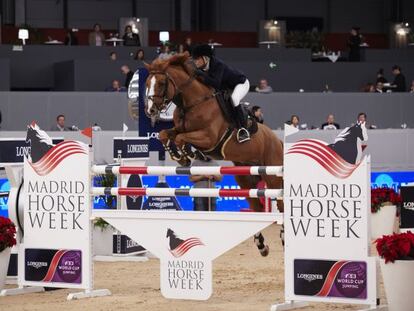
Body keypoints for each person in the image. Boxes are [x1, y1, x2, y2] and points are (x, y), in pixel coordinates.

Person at [192, 44, 251, 143]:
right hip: (226, 87)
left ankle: (243, 129)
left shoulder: (218, 65)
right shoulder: (202, 67)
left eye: (197, 59)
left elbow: (216, 83)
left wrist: (201, 74)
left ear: (205, 58)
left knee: (234, 99)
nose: (195, 62)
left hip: (240, 83)